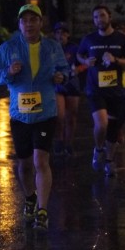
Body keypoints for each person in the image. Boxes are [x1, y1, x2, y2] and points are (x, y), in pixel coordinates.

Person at [0, 4, 69, 230]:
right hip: (20, 116)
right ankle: (30, 197)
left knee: (40, 161)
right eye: (25, 21)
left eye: (34, 20)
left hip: (45, 113)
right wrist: (9, 72)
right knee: (24, 164)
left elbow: (65, 69)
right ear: (19, 24)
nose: (29, 24)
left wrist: (62, 77)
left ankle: (42, 210)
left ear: (41, 23)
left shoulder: (52, 47)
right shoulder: (8, 47)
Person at [76, 5, 125, 177]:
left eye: (102, 16)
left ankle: (109, 160)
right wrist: (85, 62)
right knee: (101, 124)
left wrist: (115, 59)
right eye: (95, 17)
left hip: (115, 91)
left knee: (113, 129)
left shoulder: (121, 38)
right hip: (95, 89)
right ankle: (98, 149)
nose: (99, 20)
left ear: (109, 17)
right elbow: (79, 55)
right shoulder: (89, 39)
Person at [52, 21, 83, 157]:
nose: (61, 36)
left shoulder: (75, 48)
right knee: (59, 116)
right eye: (58, 33)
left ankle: (69, 144)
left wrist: (78, 69)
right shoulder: (50, 49)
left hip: (72, 85)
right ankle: (59, 141)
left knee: (71, 116)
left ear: (68, 35)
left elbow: (85, 62)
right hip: (57, 86)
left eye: (63, 33)